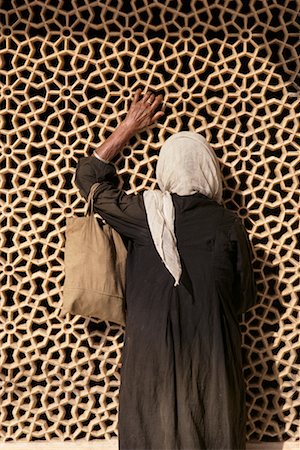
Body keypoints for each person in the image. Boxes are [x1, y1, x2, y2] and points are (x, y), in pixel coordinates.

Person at [74, 89, 257, 450]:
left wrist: (128, 127)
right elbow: (244, 297)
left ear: (165, 169)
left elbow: (88, 177)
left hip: (151, 363)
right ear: (210, 169)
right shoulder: (229, 224)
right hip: (214, 371)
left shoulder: (145, 213)